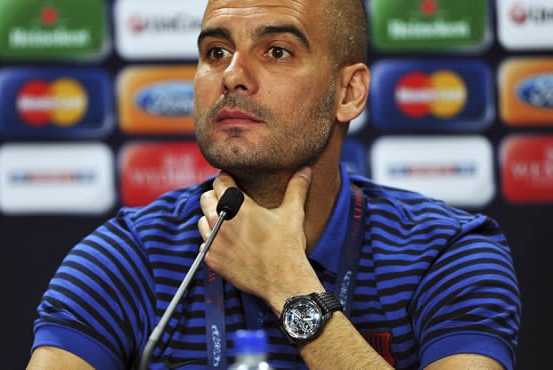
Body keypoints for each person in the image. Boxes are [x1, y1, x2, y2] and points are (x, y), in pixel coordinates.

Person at [26, 0, 521, 369]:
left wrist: (285, 282)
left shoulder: (448, 252)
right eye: (216, 51)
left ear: (348, 93)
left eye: (277, 51)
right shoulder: (127, 257)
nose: (233, 75)